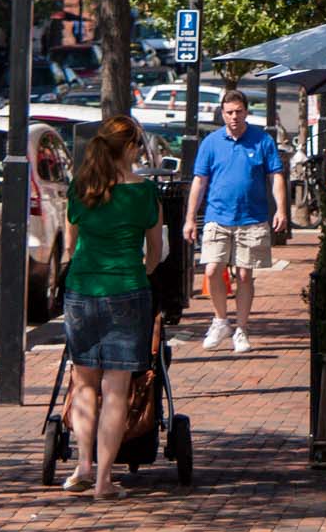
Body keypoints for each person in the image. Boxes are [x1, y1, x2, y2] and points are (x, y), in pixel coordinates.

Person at [62, 114, 163, 499]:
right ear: (132, 148)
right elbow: (154, 253)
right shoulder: (144, 192)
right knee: (116, 389)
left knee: (83, 383)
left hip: (82, 289)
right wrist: (139, 271)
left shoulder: (81, 189)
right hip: (126, 290)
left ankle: (83, 466)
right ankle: (105, 480)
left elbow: (70, 246)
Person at [183, 89, 288, 355]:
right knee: (211, 269)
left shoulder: (262, 140)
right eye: (229, 112)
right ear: (222, 113)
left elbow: (276, 176)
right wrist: (189, 218)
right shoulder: (211, 142)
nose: (234, 117)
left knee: (244, 274)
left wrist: (281, 210)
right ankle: (220, 321)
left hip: (251, 217)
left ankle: (241, 328)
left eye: (239, 112)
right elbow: (199, 181)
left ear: (246, 112)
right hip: (217, 215)